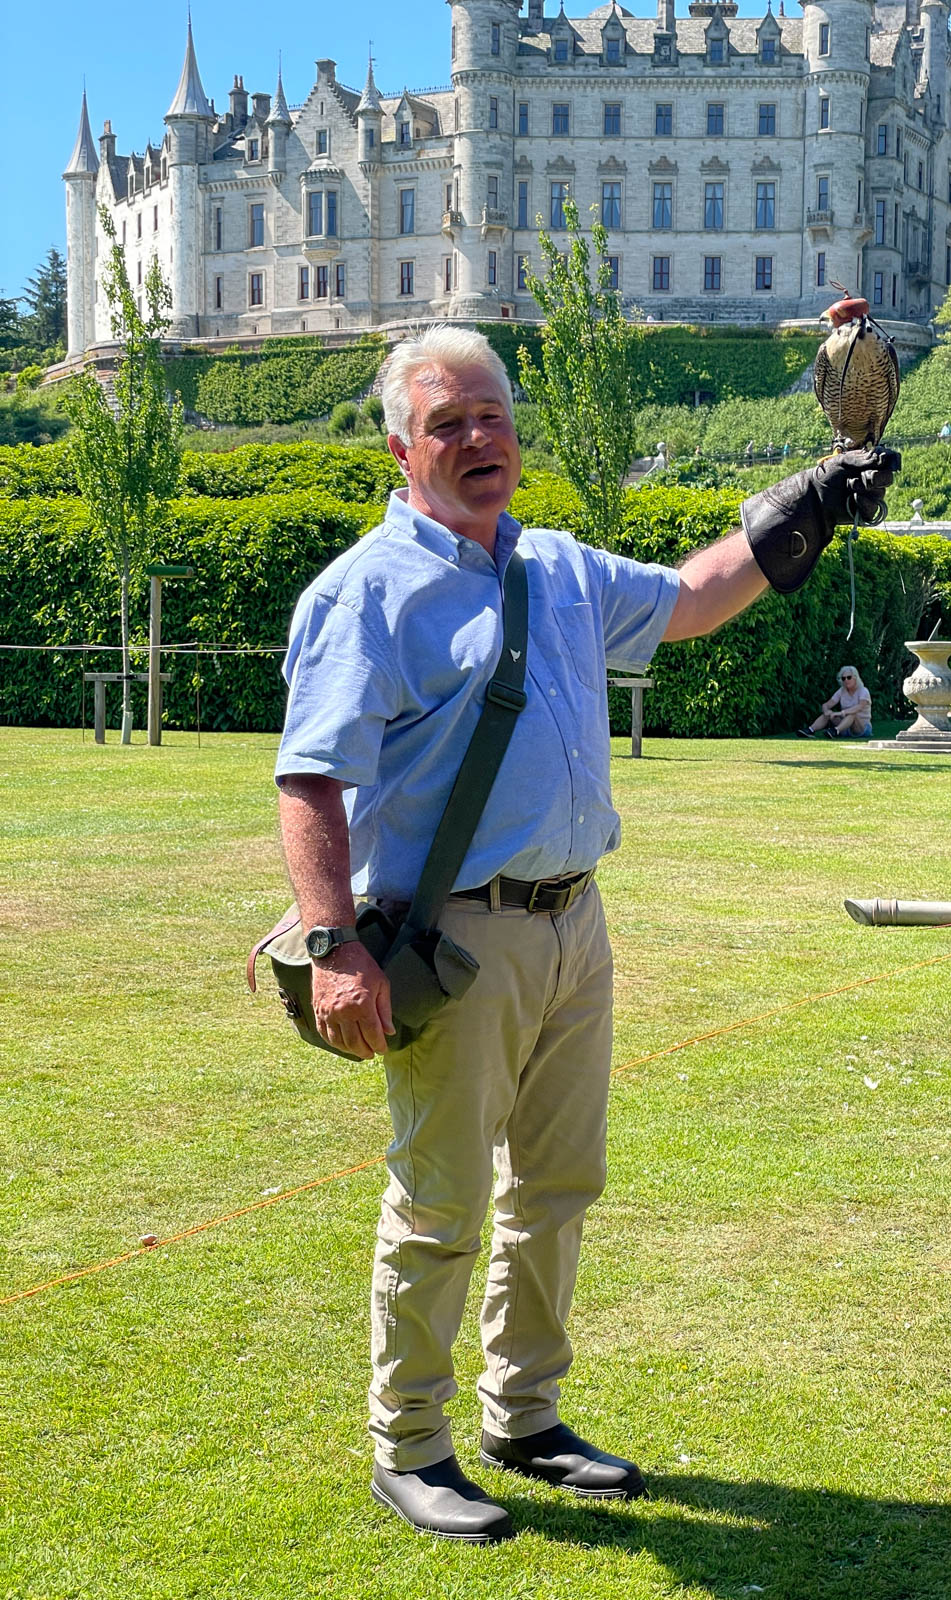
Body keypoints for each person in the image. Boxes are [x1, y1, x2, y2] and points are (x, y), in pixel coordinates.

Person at [274, 326, 897, 1544]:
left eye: (493, 415)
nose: (477, 439)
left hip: (575, 924)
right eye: (447, 423)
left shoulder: (554, 566)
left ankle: (525, 1411)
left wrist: (807, 507)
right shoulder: (364, 593)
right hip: (453, 945)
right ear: (402, 446)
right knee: (444, 1198)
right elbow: (311, 781)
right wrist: (331, 944)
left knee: (556, 1186)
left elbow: (687, 601)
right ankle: (409, 1441)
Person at [798, 666, 873, 739]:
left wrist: (841, 713)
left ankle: (835, 731)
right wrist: (826, 711)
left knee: (852, 714)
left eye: (849, 677)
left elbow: (859, 707)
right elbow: (826, 704)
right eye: (843, 678)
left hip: (861, 727)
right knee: (829, 713)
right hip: (845, 726)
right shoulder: (842, 690)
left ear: (855, 678)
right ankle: (810, 730)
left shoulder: (863, 690)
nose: (846, 680)